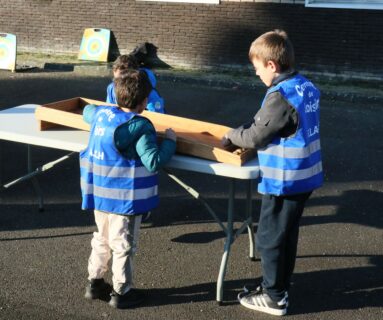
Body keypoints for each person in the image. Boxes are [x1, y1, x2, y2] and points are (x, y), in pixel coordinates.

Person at [223, 30, 323, 316]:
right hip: (304, 176)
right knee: (286, 235)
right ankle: (277, 285)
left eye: (257, 68)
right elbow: (267, 123)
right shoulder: (304, 85)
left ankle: (274, 297)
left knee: (269, 237)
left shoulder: (280, 95)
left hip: (285, 180)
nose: (256, 74)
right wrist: (245, 129)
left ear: (272, 66)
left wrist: (232, 135)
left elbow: (256, 136)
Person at [80, 69, 177, 309]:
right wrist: (171, 141)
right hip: (125, 198)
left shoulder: (101, 114)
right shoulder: (140, 126)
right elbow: (153, 160)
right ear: (144, 102)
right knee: (123, 244)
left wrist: (101, 108)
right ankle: (122, 292)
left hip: (100, 194)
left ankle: (94, 282)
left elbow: (86, 110)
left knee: (101, 238)